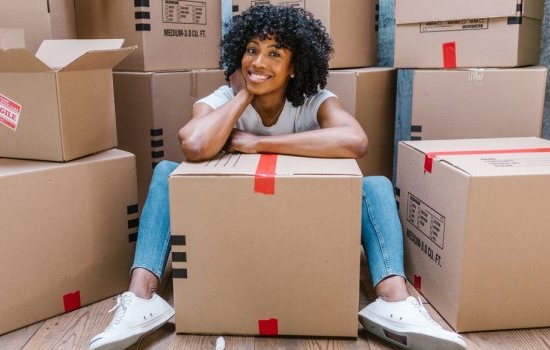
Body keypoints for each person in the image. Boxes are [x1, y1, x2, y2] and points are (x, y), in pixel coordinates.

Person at [89, 5, 466, 350]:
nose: (259, 61)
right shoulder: (222, 98)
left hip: (296, 225)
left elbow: (356, 140)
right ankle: (141, 299)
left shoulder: (315, 100)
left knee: (376, 186)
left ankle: (393, 303)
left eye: (274, 53)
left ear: (294, 66)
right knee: (166, 172)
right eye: (251, 50)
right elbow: (194, 144)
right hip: (234, 228)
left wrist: (257, 143)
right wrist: (242, 95)